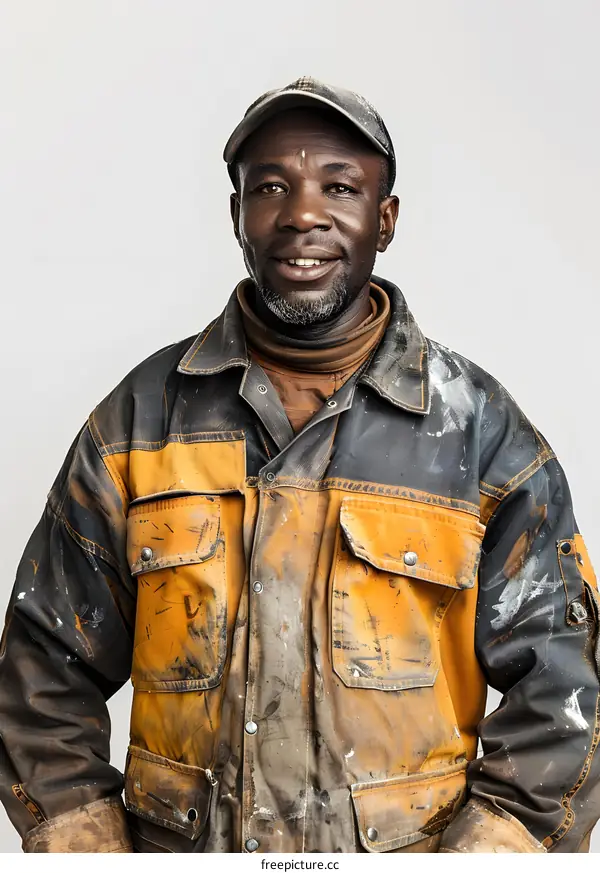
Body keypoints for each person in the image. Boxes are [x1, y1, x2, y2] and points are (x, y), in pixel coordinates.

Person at [0, 77, 598, 855]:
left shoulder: (480, 436)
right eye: (271, 186)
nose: (302, 214)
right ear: (236, 215)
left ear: (384, 220)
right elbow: (42, 665)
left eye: (339, 187)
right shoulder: (137, 423)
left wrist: (490, 857)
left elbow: (568, 683)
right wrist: (86, 847)